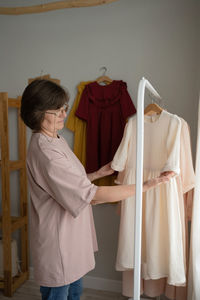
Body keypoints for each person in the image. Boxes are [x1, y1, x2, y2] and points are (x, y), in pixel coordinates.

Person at [20, 79, 174, 300]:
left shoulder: (55, 138)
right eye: (57, 111)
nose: (64, 114)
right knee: (61, 293)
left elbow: (67, 184)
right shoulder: (47, 153)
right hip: (59, 241)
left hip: (70, 236)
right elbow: (91, 196)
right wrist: (146, 185)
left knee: (75, 291)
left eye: (65, 108)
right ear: (37, 113)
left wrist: (98, 174)